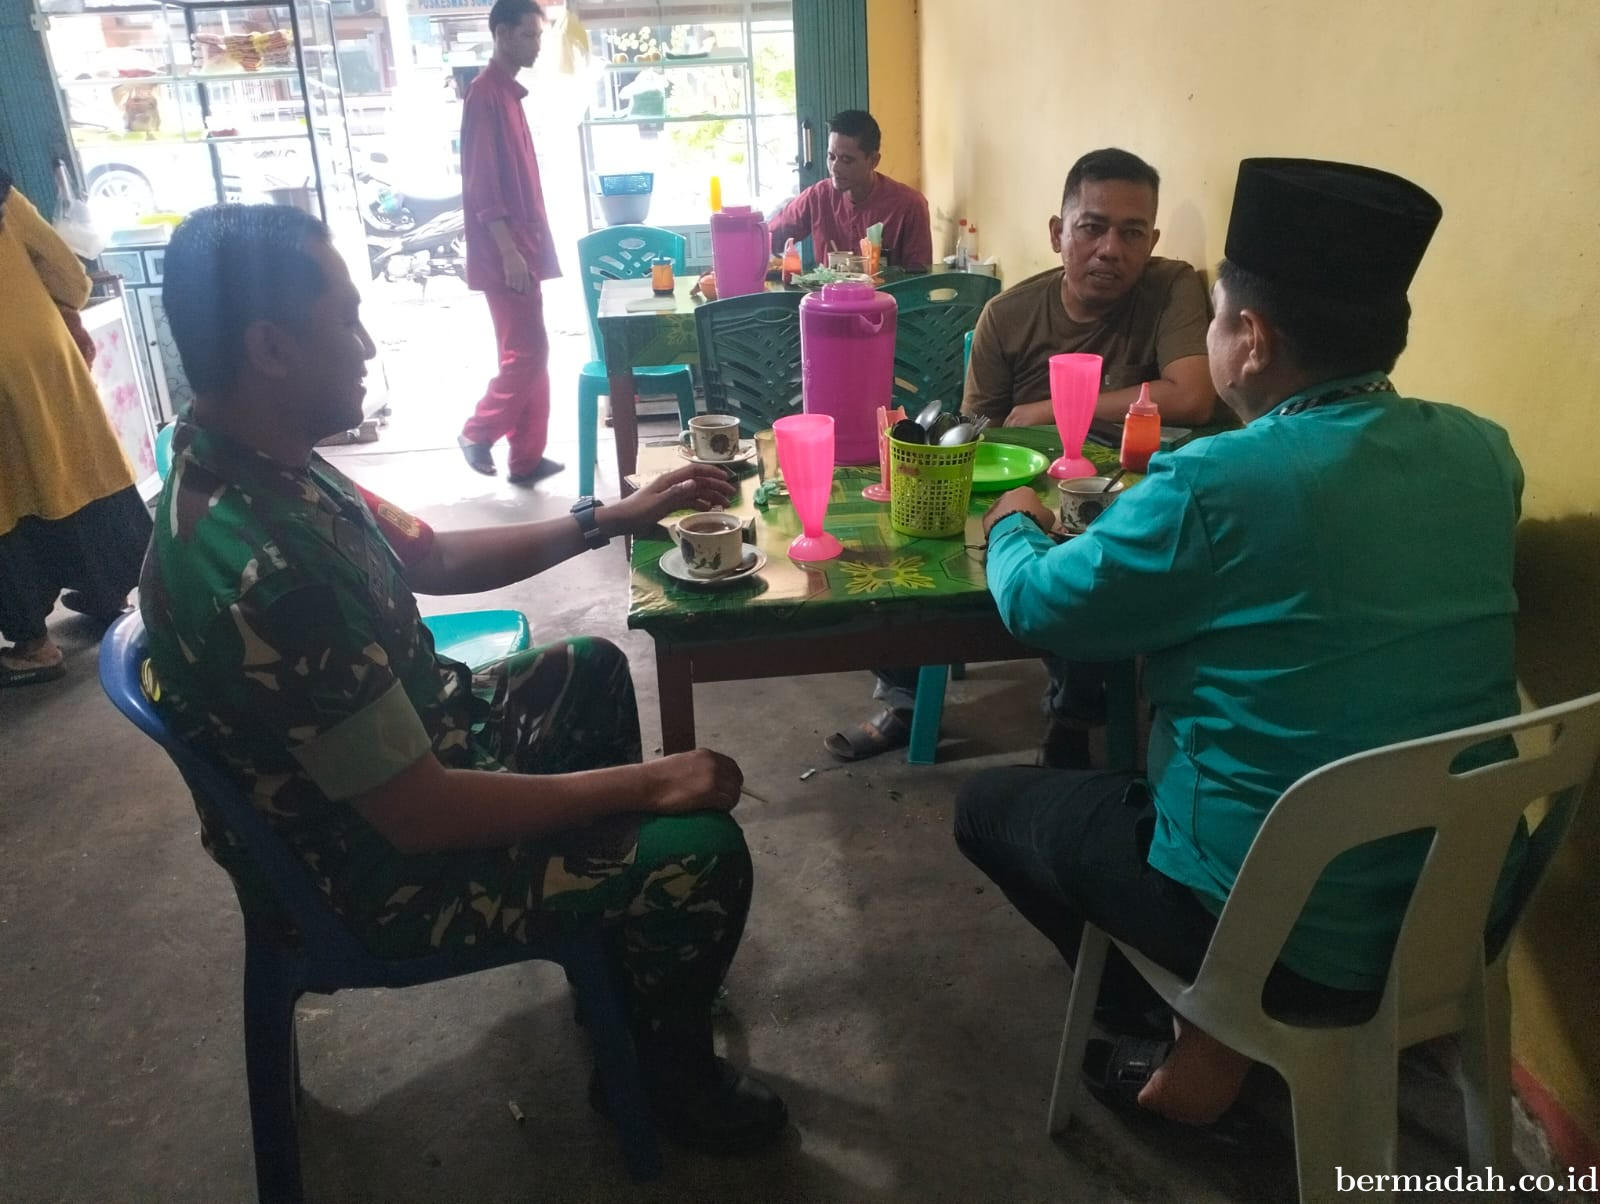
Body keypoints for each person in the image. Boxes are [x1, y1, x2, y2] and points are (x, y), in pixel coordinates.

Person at [141, 203, 788, 1154]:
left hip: (419, 751)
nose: (367, 346)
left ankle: (617, 971)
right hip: (378, 872)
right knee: (699, 849)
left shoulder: (266, 466)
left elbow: (432, 556)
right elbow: (422, 816)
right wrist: (648, 785)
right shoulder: (263, 571)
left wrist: (607, 518)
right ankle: (660, 1078)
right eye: (346, 320)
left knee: (592, 670)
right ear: (270, 348)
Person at [955, 158, 1523, 1128]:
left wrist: (1011, 522)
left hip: (1274, 926)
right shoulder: (1485, 450)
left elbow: (1042, 607)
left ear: (1249, 340)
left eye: (1217, 318)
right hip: (1463, 903)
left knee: (988, 808)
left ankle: (1184, 1040)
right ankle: (1214, 1043)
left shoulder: (1214, 482)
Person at [826, 149, 1214, 764]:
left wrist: (1054, 410)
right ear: (1058, 233)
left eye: (1132, 233)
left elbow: (1192, 395)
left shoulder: (1171, 288)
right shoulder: (1006, 317)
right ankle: (906, 698)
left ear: (1152, 241)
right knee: (904, 532)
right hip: (1022, 492)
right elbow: (967, 443)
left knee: (1094, 561)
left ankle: (1075, 717)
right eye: (1092, 227)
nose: (1110, 249)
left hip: (1124, 497)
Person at [0, 166, 153, 688]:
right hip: (46, 354)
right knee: (79, 470)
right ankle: (109, 593)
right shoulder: (5, 196)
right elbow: (69, 274)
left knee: (10, 502)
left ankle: (34, 645)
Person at [455, 0, 564, 485]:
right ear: (500, 34)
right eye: (528, 35)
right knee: (528, 353)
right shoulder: (485, 95)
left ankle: (526, 459)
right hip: (507, 252)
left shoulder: (507, 93)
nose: (536, 45)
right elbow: (483, 184)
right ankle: (478, 431)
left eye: (539, 36)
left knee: (529, 351)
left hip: (523, 246)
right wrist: (508, 250)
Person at [767, 109, 933, 272]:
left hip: (888, 291)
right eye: (831, 157)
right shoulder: (817, 197)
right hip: (828, 291)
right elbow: (769, 237)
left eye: (847, 160)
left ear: (873, 160)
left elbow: (919, 278)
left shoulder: (909, 206)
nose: (835, 168)